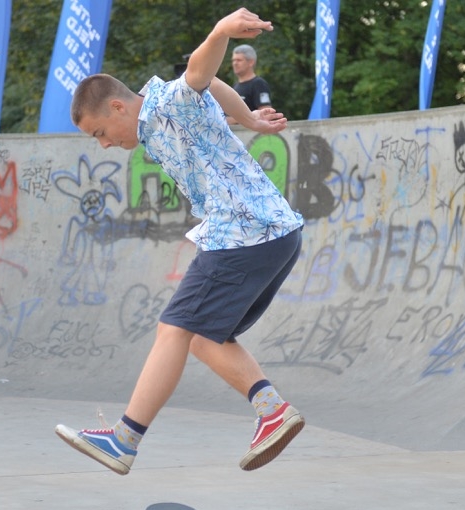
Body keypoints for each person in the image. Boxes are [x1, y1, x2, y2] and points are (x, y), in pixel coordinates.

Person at [55, 7, 305, 475]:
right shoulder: (156, 105)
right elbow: (213, 85)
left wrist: (219, 32)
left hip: (241, 232)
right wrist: (248, 119)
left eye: (101, 134)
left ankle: (125, 441)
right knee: (206, 337)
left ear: (116, 107)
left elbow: (200, 72)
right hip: (275, 234)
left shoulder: (167, 102)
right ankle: (272, 412)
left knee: (175, 329)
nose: (105, 145)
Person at [231, 44, 272, 112]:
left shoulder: (258, 84)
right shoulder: (235, 86)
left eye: (239, 60)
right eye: (233, 60)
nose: (235, 63)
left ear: (251, 62)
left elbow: (266, 112)